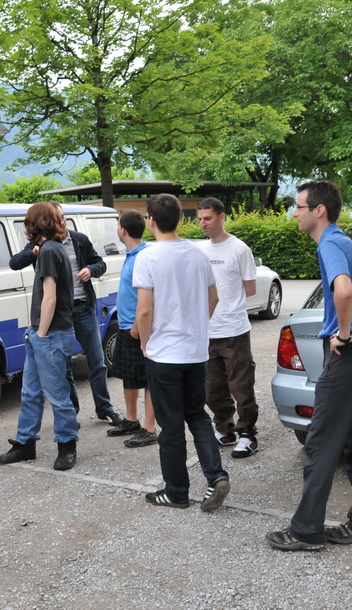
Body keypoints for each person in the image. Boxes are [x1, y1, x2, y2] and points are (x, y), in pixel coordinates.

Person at [266, 181, 352, 551]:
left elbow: (345, 289)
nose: (295, 213)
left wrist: (343, 334)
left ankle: (306, 531)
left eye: (299, 206)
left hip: (349, 353)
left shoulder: (330, 242)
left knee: (320, 440)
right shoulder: (342, 240)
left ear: (319, 210)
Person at [134, 194, 230, 511]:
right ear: (179, 219)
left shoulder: (147, 257)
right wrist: (198, 327)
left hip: (164, 355)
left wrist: (145, 343)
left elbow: (144, 310)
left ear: (150, 220)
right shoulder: (198, 253)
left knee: (171, 426)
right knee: (198, 416)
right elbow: (214, 298)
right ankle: (216, 476)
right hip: (195, 352)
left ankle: (176, 492)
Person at [10, 203, 124, 427]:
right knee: (64, 367)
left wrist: (91, 270)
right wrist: (32, 252)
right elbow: (14, 263)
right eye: (57, 216)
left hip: (82, 308)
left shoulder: (79, 240)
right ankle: (71, 413)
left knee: (97, 361)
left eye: (63, 216)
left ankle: (105, 409)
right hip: (59, 313)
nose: (62, 220)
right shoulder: (42, 245)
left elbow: (100, 263)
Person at [0, 201, 80, 470]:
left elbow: (50, 298)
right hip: (42, 332)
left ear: (36, 223)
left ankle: (67, 445)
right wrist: (37, 332)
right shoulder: (49, 249)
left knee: (57, 394)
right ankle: (25, 443)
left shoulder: (49, 251)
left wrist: (41, 334)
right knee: (30, 391)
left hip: (50, 334)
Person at [196, 198, 261, 458]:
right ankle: (224, 429)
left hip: (234, 329)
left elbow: (251, 289)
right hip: (207, 330)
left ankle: (247, 435)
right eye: (200, 219)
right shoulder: (200, 250)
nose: (203, 223)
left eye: (208, 218)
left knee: (241, 386)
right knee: (212, 389)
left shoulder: (239, 249)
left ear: (222, 217)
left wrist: (229, 302)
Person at [106, 210, 157, 448]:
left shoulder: (142, 258)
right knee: (129, 375)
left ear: (123, 230)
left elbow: (148, 298)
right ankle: (131, 419)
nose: (117, 228)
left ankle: (149, 428)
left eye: (118, 224)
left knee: (147, 379)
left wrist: (137, 327)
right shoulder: (132, 254)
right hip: (126, 326)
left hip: (138, 328)